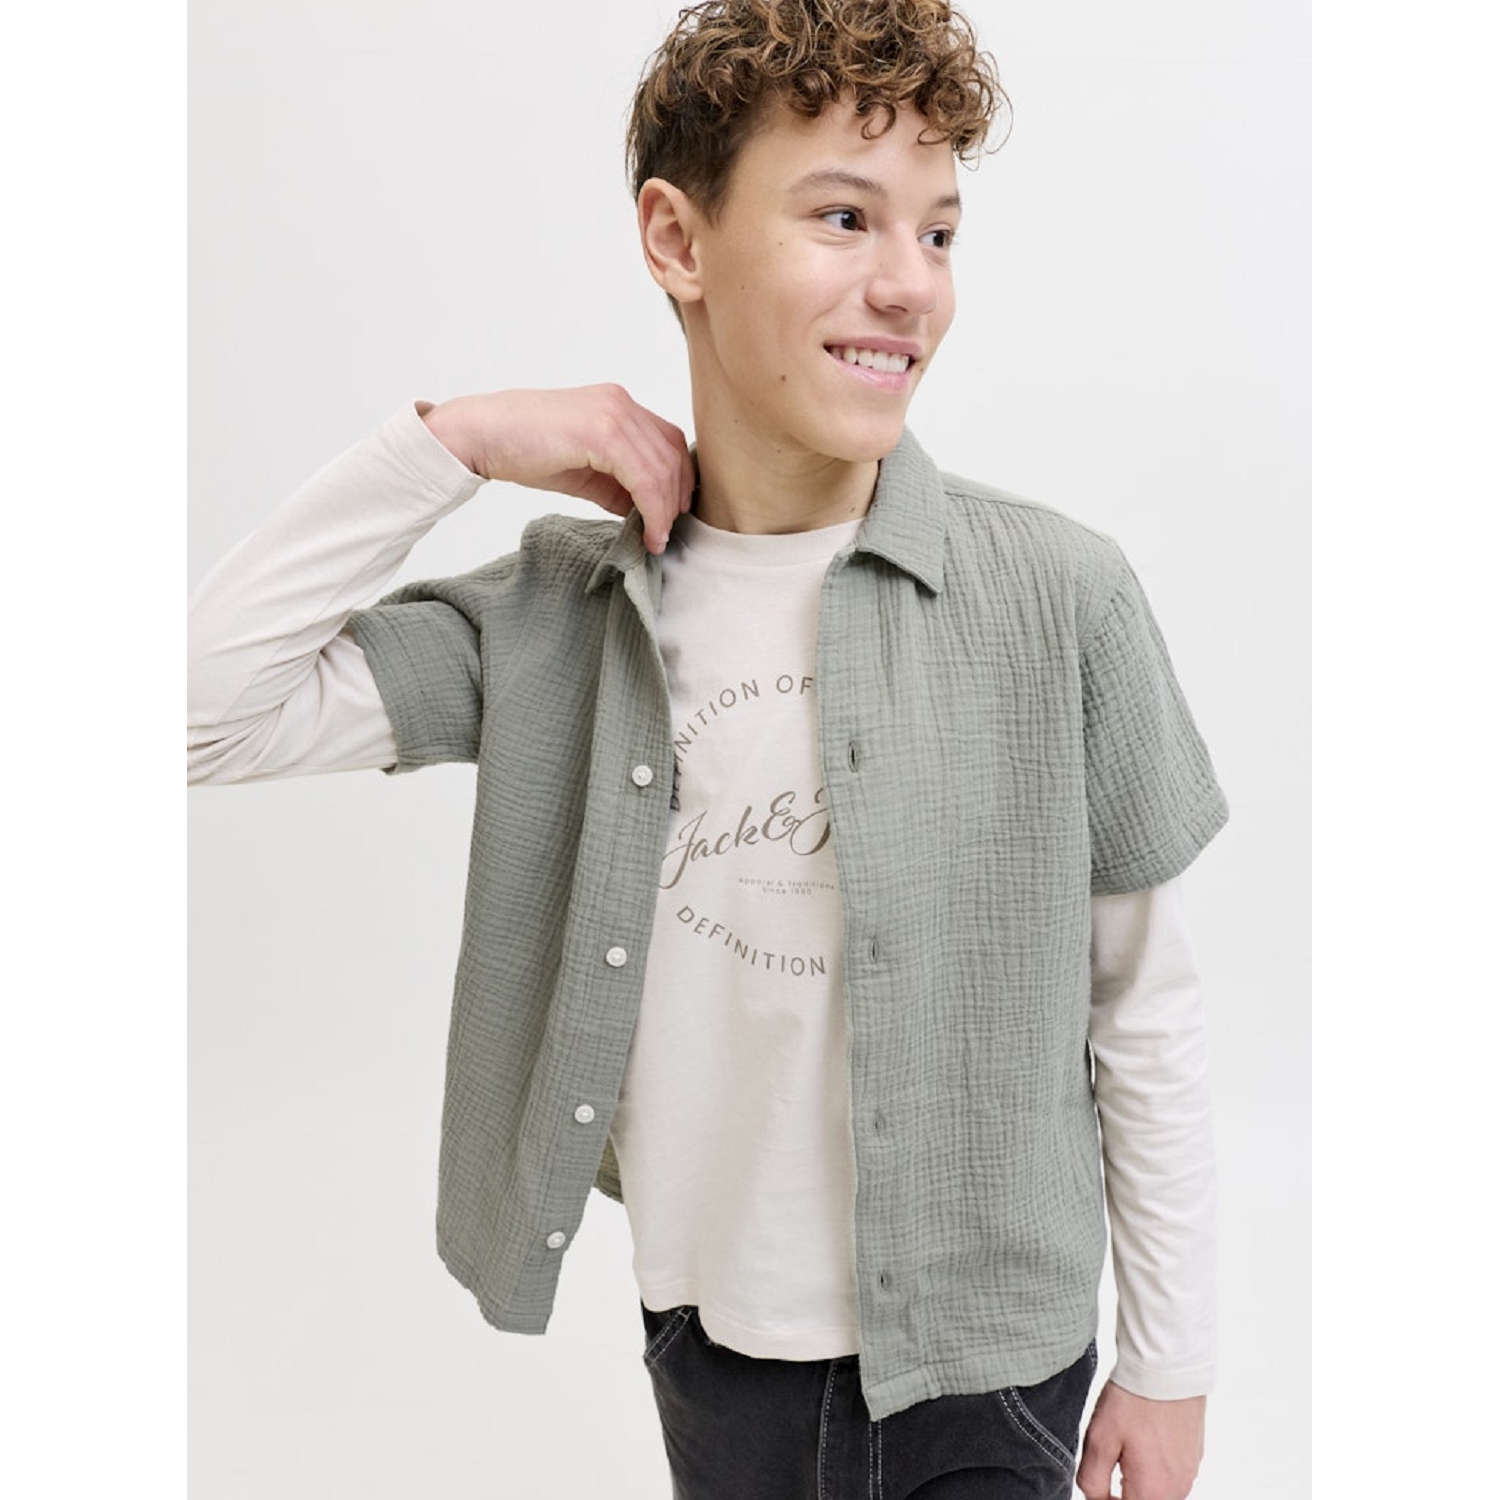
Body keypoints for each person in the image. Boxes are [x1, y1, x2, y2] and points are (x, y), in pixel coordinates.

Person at [188, 2, 1226, 1496]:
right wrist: (458, 441)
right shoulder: (558, 618)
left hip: (992, 1368)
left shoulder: (1060, 597)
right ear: (678, 240)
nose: (908, 283)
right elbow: (195, 712)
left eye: (939, 232)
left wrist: (1170, 1361)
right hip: (714, 1356)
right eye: (844, 217)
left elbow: (1146, 1010)